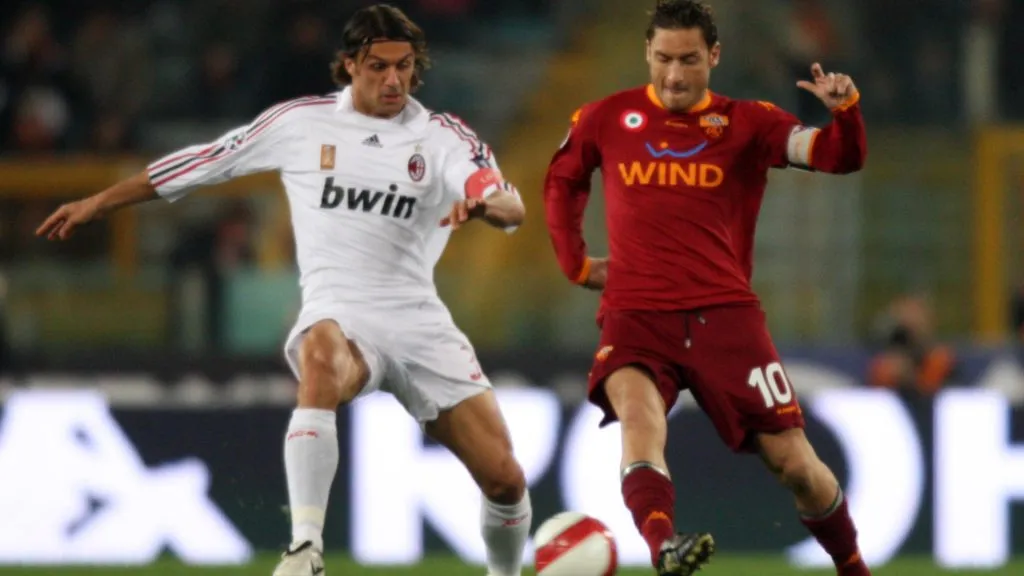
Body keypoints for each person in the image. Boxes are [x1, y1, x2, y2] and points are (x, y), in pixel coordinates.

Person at [36, 5, 532, 576]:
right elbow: (204, 163)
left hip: (419, 320)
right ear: (349, 65)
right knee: (321, 355)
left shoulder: (442, 136)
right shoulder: (301, 123)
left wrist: (488, 207)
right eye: (377, 66)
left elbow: (507, 201)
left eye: (405, 67)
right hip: (338, 310)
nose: (393, 80)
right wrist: (100, 201)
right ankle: (304, 549)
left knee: (505, 478)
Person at [542, 1, 868, 575]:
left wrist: (845, 114)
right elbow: (563, 179)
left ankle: (853, 567)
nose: (674, 74)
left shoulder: (750, 122)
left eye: (689, 60)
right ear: (647, 52)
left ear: (713, 56)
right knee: (640, 424)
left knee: (794, 463)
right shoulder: (605, 117)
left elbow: (836, 158)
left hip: (726, 318)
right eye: (663, 58)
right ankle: (664, 547)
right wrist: (574, 263)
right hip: (636, 314)